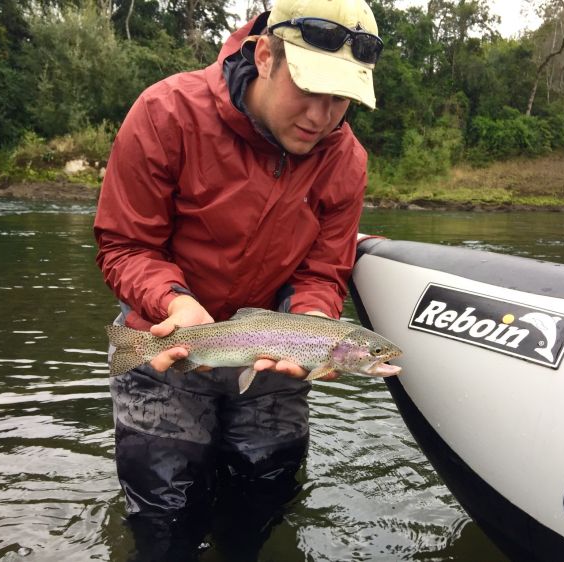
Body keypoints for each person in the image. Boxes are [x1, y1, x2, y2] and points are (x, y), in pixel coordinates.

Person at [93, 0, 383, 558]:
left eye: (341, 98)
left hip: (276, 354)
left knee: (261, 500)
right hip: (165, 341)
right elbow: (127, 245)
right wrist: (171, 303)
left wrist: (316, 322)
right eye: (311, 89)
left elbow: (323, 271)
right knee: (165, 514)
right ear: (266, 55)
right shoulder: (166, 112)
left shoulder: (346, 161)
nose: (324, 116)